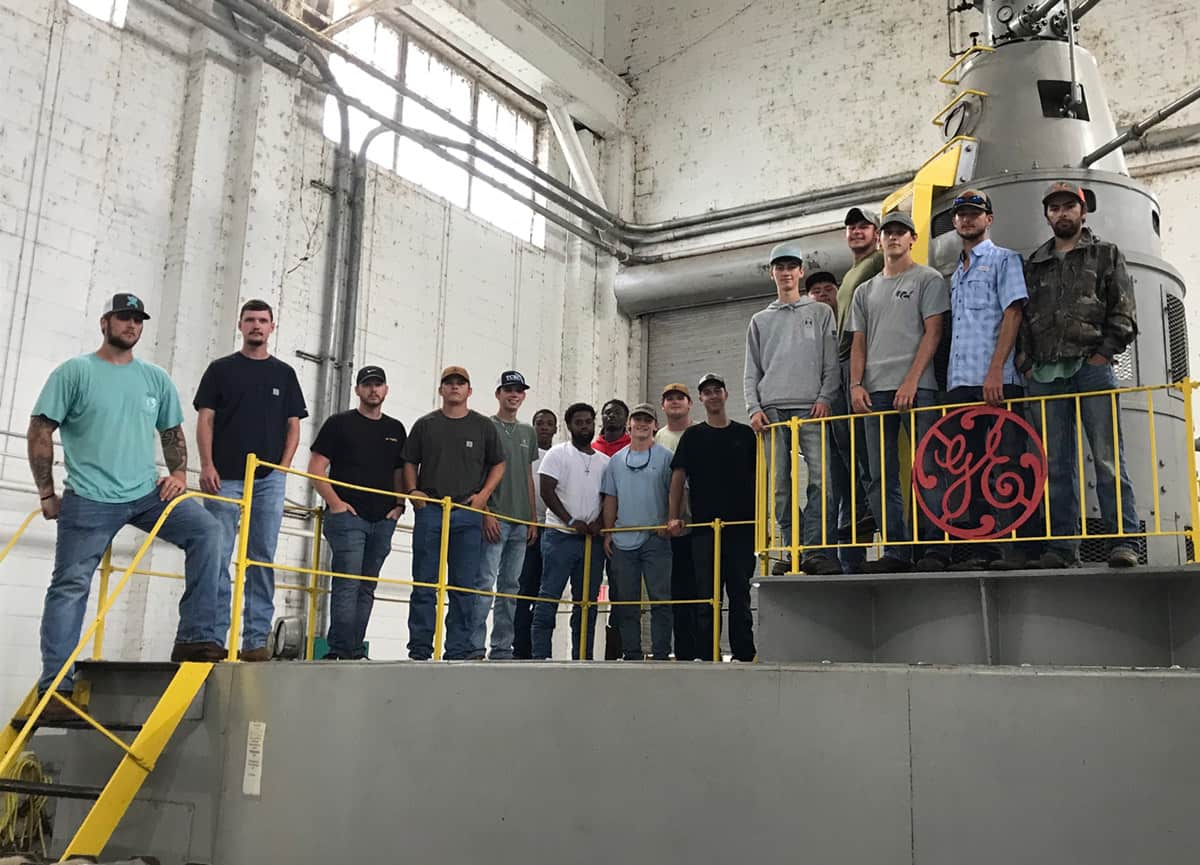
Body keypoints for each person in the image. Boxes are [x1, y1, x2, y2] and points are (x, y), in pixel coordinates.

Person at [29, 294, 225, 717]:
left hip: (146, 494)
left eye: (137, 319)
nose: (131, 325)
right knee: (70, 585)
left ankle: (195, 636)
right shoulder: (75, 372)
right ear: (105, 323)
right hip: (88, 498)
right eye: (124, 318)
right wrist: (46, 493)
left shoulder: (154, 379)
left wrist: (178, 476)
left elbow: (172, 431)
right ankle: (56, 686)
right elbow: (41, 430)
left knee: (207, 530)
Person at [1019, 180, 1139, 568]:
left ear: (1082, 211)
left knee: (1106, 458)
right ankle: (1061, 547)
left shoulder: (1105, 254)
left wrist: (1103, 356)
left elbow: (1123, 310)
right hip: (1045, 374)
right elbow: (1022, 317)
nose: (1062, 213)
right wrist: (1026, 361)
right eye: (1054, 208)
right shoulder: (1034, 263)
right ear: (1047, 215)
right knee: (1055, 463)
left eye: (1069, 206)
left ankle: (1123, 543)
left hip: (1091, 369)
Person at [195, 299, 307, 661]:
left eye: (263, 320)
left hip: (268, 480)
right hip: (223, 478)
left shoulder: (284, 374)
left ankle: (255, 641)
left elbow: (294, 425)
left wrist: (283, 468)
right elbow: (206, 420)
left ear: (272, 327)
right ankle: (212, 637)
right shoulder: (220, 370)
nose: (256, 326)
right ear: (240, 326)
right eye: (250, 320)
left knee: (261, 559)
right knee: (218, 556)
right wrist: (206, 464)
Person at [848, 212, 950, 574]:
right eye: (888, 232)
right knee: (881, 474)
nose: (893, 238)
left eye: (900, 232)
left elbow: (933, 333)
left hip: (919, 390)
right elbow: (858, 343)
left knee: (930, 467)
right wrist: (856, 385)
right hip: (875, 393)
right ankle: (896, 550)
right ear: (880, 240)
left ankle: (936, 547)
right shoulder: (865, 291)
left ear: (912, 238)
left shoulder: (929, 279)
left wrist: (911, 380)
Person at [944, 189, 1031, 571]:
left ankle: (1016, 547)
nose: (967, 220)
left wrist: (997, 369)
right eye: (961, 214)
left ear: (989, 219)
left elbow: (1012, 315)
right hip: (960, 382)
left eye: (975, 214)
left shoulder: (1004, 260)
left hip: (996, 382)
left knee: (1006, 464)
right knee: (970, 466)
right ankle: (982, 548)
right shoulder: (955, 274)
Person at [744, 242, 841, 576]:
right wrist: (752, 407)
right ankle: (792, 548)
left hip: (811, 408)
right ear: (772, 273)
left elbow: (831, 363)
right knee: (780, 488)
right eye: (779, 268)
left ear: (801, 271)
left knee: (822, 480)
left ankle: (816, 550)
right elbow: (751, 369)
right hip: (772, 412)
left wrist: (826, 397)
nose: (786, 273)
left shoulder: (820, 312)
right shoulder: (759, 320)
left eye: (792, 267)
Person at [401, 366, 505, 660]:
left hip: (466, 513)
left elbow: (499, 463)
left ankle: (457, 650)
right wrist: (413, 492)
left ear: (469, 391)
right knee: (424, 583)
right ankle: (420, 650)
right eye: (449, 383)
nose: (455, 387)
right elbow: (409, 460)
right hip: (431, 512)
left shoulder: (483, 427)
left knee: (463, 587)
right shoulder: (425, 425)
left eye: (461, 383)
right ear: (441, 390)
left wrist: (483, 497)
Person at [307, 365, 407, 660]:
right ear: (357, 390)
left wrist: (399, 505)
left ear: (386, 390)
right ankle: (340, 649)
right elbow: (315, 469)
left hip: (383, 519)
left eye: (378, 385)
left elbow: (399, 471)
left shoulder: (395, 429)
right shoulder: (339, 424)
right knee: (348, 583)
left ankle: (353, 648)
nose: (373, 390)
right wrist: (336, 504)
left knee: (366, 587)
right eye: (367, 385)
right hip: (348, 519)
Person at [668, 374, 758, 662]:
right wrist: (673, 517)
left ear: (726, 394)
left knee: (740, 594)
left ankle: (744, 653)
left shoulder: (745, 435)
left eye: (717, 390)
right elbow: (678, 477)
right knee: (707, 596)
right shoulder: (692, 436)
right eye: (707, 392)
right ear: (701, 400)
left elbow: (760, 477)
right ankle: (706, 654)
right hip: (705, 529)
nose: (713, 396)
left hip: (742, 529)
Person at [531, 403, 609, 660]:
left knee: (586, 603)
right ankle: (540, 656)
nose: (584, 426)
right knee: (548, 596)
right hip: (559, 537)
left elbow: (608, 497)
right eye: (579, 422)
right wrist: (570, 519)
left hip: (592, 542)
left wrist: (598, 522)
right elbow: (546, 490)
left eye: (588, 421)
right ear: (569, 426)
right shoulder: (557, 453)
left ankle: (583, 658)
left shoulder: (605, 462)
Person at [473, 371, 539, 660]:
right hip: (495, 517)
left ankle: (502, 648)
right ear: (498, 393)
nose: (514, 395)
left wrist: (532, 518)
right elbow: (478, 472)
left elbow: (527, 474)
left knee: (511, 588)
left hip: (521, 521)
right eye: (509, 389)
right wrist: (485, 513)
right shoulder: (485, 426)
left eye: (519, 390)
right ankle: (475, 646)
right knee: (484, 583)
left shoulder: (528, 432)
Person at [601, 403, 674, 660]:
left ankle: (662, 654)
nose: (642, 424)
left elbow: (676, 493)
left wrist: (669, 521)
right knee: (626, 604)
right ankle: (631, 654)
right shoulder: (616, 461)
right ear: (629, 424)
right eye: (638, 419)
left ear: (655, 425)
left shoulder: (666, 457)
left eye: (648, 420)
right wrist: (608, 532)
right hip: (623, 542)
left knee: (661, 601)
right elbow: (611, 498)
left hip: (656, 540)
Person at [835, 206, 886, 570]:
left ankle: (876, 512)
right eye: (851, 227)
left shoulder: (879, 260)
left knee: (868, 449)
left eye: (863, 226)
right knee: (847, 447)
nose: (856, 231)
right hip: (842, 362)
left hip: (861, 359)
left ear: (877, 232)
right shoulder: (851, 273)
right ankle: (857, 519)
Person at [806, 269, 866, 575]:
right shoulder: (805, 340)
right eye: (815, 291)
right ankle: (826, 555)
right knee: (827, 485)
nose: (822, 294)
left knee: (853, 478)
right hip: (818, 424)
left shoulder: (847, 338)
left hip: (848, 423)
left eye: (828, 289)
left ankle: (852, 556)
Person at [655, 383, 701, 660]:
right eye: (669, 399)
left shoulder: (699, 435)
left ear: (689, 403)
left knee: (697, 592)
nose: (674, 402)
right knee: (671, 593)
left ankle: (700, 649)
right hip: (665, 530)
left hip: (697, 527)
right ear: (663, 406)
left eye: (679, 398)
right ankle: (676, 651)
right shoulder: (656, 438)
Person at [512, 408, 557, 659]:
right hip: (527, 530)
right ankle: (519, 648)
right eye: (539, 423)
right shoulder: (524, 455)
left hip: (552, 530)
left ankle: (540, 650)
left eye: (549, 423)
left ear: (555, 428)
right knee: (522, 590)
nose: (544, 427)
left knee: (545, 592)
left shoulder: (561, 455)